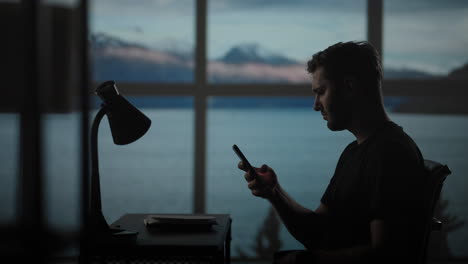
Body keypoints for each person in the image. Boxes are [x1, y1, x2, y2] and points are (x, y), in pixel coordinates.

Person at [238, 41, 427, 263]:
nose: (316, 105)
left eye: (321, 92)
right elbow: (318, 232)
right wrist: (274, 192)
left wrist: (307, 261)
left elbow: (387, 255)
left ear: (349, 86)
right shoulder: (356, 152)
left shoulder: (390, 154)